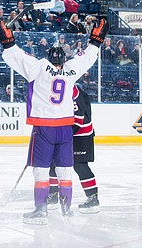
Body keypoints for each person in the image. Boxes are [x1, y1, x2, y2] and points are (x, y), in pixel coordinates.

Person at [0, 18, 108, 223]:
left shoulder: (37, 67)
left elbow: (15, 55)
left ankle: (41, 210)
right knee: (65, 169)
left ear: (48, 58)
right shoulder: (71, 70)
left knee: (41, 170)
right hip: (65, 128)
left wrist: (7, 40)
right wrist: (96, 40)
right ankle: (66, 208)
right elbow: (89, 57)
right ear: (63, 60)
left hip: (44, 128)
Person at [47, 85, 99, 214]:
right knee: (54, 162)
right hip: (70, 133)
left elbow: (78, 120)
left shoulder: (74, 91)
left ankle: (93, 198)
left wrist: (62, 134)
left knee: (80, 165)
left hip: (81, 136)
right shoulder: (64, 88)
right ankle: (53, 195)